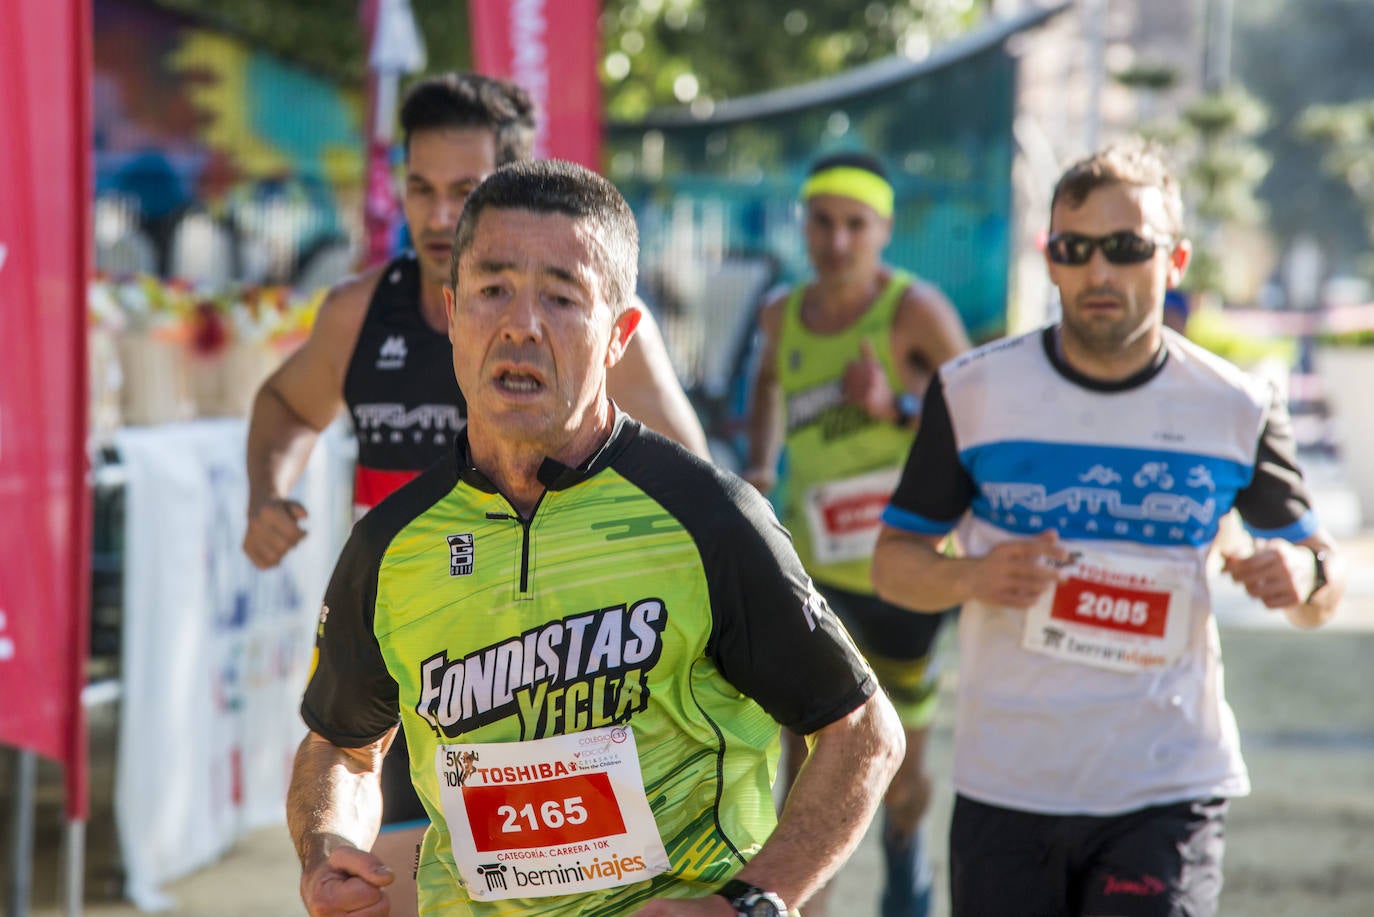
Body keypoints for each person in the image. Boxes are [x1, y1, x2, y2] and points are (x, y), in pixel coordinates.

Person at [287, 158, 906, 917]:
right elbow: (340, 745)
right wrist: (327, 849)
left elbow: (862, 732)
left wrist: (750, 902)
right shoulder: (392, 541)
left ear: (620, 335)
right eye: (491, 290)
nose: (521, 324)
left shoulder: (706, 517)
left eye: (561, 296)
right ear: (452, 313)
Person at [243, 73, 708, 915]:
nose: (431, 216)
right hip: (409, 667)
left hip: (551, 675)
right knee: (375, 885)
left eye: (460, 191)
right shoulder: (360, 314)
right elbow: (281, 402)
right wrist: (265, 493)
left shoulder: (588, 325)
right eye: (418, 187)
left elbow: (695, 483)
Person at [872, 139, 1346, 917]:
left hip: (1166, 785)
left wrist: (1305, 577)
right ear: (1050, 260)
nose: (1098, 272)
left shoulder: (1235, 405)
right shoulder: (973, 391)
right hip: (1008, 785)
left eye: (1126, 249)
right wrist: (970, 576)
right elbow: (894, 564)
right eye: (1075, 249)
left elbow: (1319, 580)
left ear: (1175, 260)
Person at [741, 151, 970, 917]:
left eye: (855, 224)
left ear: (883, 231)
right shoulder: (781, 312)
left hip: (906, 574)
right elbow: (770, 379)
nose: (836, 240)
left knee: (899, 778)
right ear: (803, 225)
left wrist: (898, 408)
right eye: (822, 222)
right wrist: (761, 468)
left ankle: (906, 852)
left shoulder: (914, 310)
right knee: (810, 772)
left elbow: (982, 413)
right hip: (818, 574)